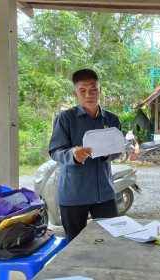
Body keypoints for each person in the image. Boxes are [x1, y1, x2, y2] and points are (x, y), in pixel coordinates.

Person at [49, 69, 122, 242]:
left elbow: (118, 149)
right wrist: (72, 155)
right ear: (76, 93)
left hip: (104, 193)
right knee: (75, 245)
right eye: (82, 90)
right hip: (74, 195)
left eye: (93, 89)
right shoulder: (66, 119)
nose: (89, 95)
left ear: (100, 89)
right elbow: (55, 151)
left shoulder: (112, 119)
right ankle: (78, 271)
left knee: (110, 242)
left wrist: (107, 155)